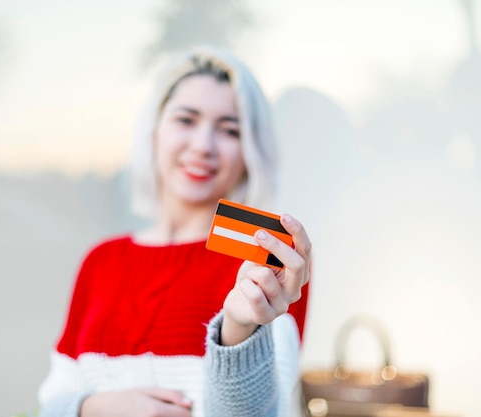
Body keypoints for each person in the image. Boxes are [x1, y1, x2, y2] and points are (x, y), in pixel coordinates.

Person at [37, 46, 311, 417]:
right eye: (186, 120)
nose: (203, 146)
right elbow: (51, 402)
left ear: (249, 153)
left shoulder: (265, 261)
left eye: (229, 130)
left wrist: (237, 330)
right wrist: (93, 407)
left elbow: (261, 413)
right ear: (154, 133)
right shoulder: (101, 261)